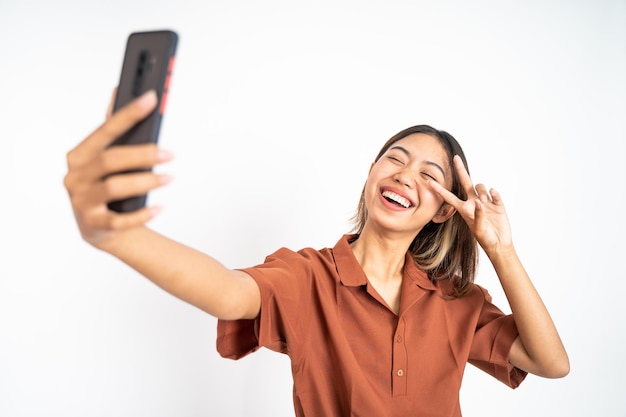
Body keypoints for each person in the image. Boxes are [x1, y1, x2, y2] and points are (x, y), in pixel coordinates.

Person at [64, 90, 569, 417]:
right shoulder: (308, 276)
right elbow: (227, 292)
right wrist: (119, 236)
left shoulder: (457, 301)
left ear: (442, 211)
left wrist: (501, 251)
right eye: (395, 158)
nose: (404, 175)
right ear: (372, 174)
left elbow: (551, 363)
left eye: (429, 176)